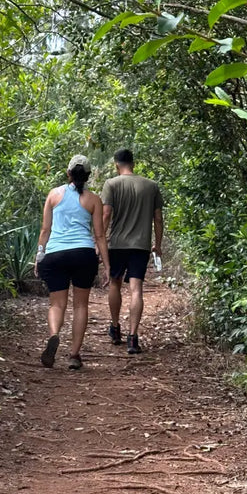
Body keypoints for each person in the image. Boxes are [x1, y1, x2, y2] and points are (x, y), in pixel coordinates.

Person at [34, 155, 110, 370]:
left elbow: (45, 230)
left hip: (55, 253)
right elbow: (100, 236)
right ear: (87, 176)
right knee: (80, 305)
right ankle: (74, 355)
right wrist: (107, 264)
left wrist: (39, 256)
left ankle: (54, 335)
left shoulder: (53, 195)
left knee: (56, 303)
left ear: (68, 173)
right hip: (83, 254)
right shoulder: (93, 199)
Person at [101, 148, 163, 354]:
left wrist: (99, 239)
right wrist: (158, 244)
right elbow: (158, 218)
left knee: (115, 284)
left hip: (117, 244)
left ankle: (115, 327)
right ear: (133, 163)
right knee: (136, 289)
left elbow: (106, 214)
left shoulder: (111, 184)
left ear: (116, 164)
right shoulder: (151, 186)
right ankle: (133, 337)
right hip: (141, 245)